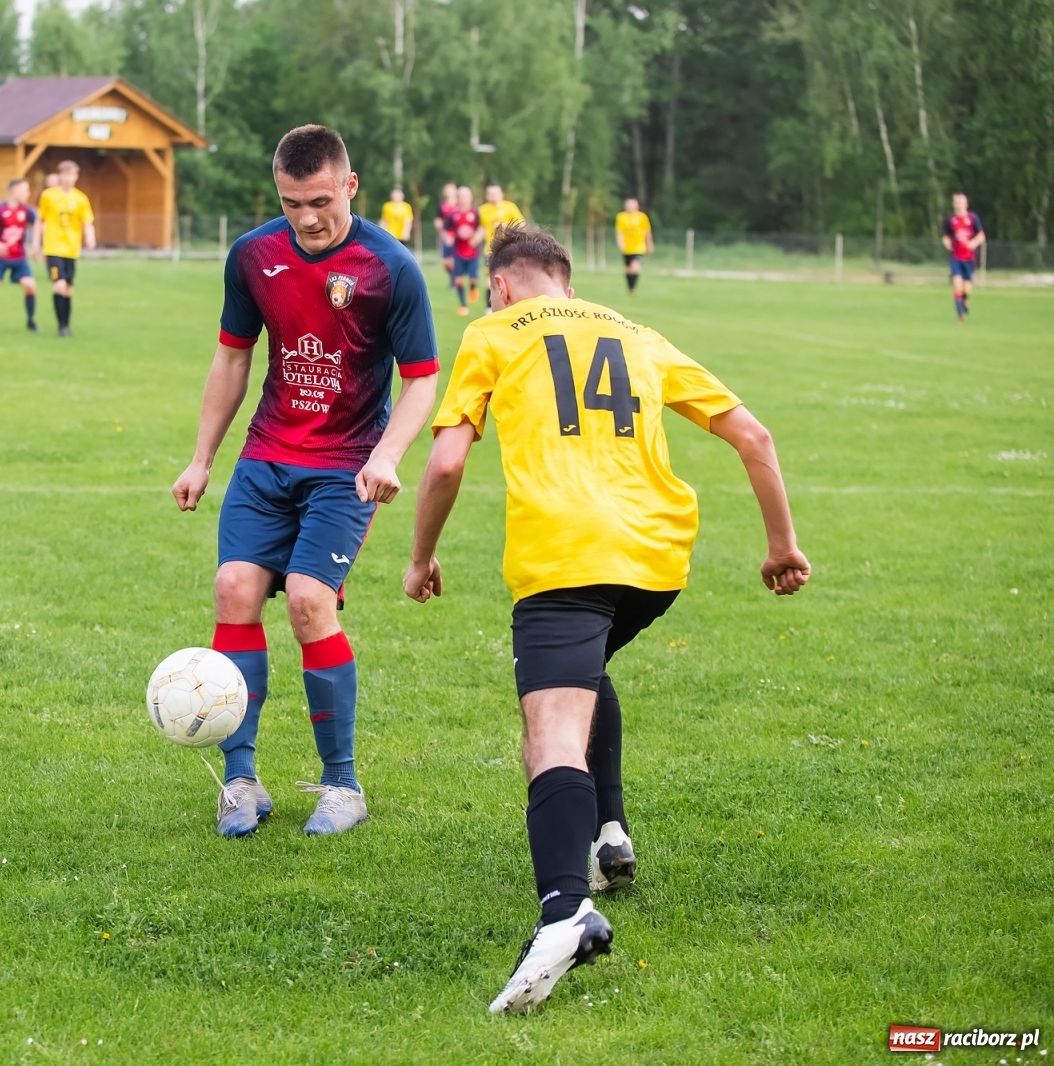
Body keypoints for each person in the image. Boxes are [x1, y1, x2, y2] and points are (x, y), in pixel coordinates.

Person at [403, 223, 810, 1014]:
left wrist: (419, 560)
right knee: (585, 673)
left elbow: (448, 460)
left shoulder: (492, 332)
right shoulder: (637, 333)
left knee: (549, 727)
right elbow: (752, 436)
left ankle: (563, 912)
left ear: (503, 286)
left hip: (566, 555)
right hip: (657, 561)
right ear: (569, 283)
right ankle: (607, 832)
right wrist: (780, 547)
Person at [171, 124, 439, 839]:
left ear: (350, 186)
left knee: (311, 604)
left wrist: (387, 455)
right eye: (292, 202)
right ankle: (240, 780)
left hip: (345, 466)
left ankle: (343, 786)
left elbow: (421, 382)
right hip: (266, 456)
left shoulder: (391, 268)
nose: (308, 217)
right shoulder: (253, 256)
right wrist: (201, 458)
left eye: (320, 200)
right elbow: (232, 360)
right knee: (233, 589)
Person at [34, 161, 96, 337]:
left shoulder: (80, 198)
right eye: (66, 174)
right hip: (53, 248)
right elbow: (40, 220)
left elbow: (87, 221)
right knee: (59, 285)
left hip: (71, 249)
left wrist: (90, 236)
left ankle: (66, 326)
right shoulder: (48, 196)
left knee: (68, 288)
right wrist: (36, 244)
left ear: (76, 177)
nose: (69, 178)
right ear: (60, 176)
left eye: (72, 175)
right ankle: (61, 326)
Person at [0, 177, 40, 332]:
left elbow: (39, 224)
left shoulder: (27, 211)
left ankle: (31, 322)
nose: (28, 193)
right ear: (14, 191)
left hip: (19, 258)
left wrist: (35, 245)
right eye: (25, 190)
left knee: (30, 285)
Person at [478, 183, 525, 308]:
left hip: (508, 248)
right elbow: (480, 228)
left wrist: (507, 227)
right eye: (490, 193)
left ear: (501, 194)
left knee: (511, 277)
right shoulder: (482, 210)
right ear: (487, 195)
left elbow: (521, 225)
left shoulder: (510, 207)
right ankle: (489, 307)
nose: (493, 196)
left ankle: (513, 304)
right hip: (490, 249)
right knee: (490, 279)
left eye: (496, 193)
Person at [942, 192, 986, 320]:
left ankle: (964, 300)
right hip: (956, 258)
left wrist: (973, 243)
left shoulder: (973, 218)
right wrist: (946, 242)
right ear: (954, 205)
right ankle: (960, 315)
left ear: (966, 204)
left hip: (969, 258)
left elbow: (981, 236)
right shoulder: (951, 220)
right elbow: (946, 236)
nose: (959, 205)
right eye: (957, 202)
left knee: (967, 289)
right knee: (957, 285)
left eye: (961, 202)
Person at [448, 186, 483, 316]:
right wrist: (450, 237)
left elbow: (481, 229)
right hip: (458, 252)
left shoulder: (475, 213)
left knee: (473, 279)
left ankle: (473, 288)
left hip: (472, 253)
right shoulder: (453, 215)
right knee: (458, 280)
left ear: (470, 198)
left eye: (465, 196)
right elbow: (448, 230)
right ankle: (463, 305)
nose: (463, 199)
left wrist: (475, 238)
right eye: (460, 196)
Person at [614, 198, 653, 294]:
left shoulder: (642, 217)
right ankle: (630, 288)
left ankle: (633, 288)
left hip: (638, 247)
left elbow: (647, 232)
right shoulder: (621, 217)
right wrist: (620, 242)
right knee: (628, 270)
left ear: (637, 206)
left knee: (635, 267)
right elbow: (620, 232)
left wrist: (649, 244)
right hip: (627, 248)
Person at [434, 183, 459, 288]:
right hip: (445, 235)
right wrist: (439, 226)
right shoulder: (442, 205)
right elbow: (438, 219)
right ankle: (454, 277)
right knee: (446, 263)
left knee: (454, 260)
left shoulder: (459, 204)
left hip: (457, 237)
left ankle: (454, 281)